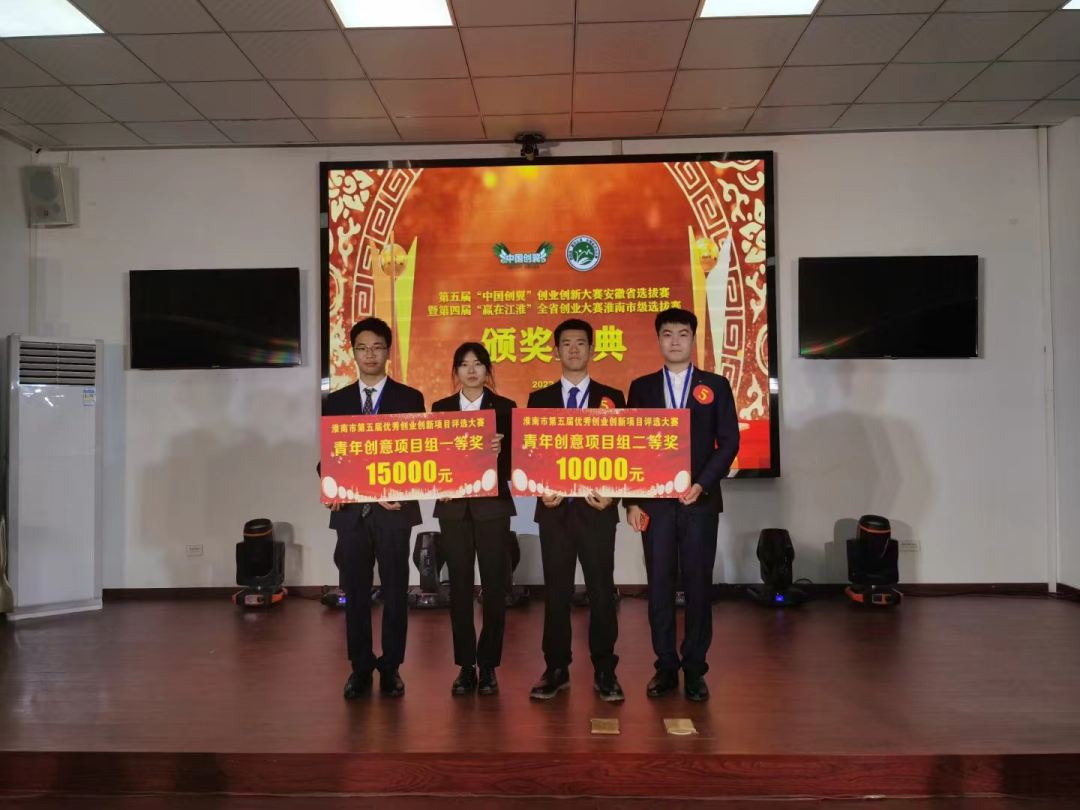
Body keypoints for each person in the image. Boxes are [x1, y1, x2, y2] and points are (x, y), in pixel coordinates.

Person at [625, 308, 740, 702]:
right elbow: (631, 446)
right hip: (654, 505)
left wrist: (702, 483)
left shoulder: (716, 385)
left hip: (699, 501)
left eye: (683, 334)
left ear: (693, 339)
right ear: (658, 339)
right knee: (658, 585)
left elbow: (729, 441)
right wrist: (632, 500)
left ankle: (694, 668)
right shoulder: (641, 387)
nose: (675, 341)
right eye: (667, 334)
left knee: (698, 586)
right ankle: (665, 666)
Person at [323, 317, 425, 700]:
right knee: (356, 592)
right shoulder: (337, 401)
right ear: (353, 352)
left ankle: (392, 667)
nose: (370, 355)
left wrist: (405, 490)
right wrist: (329, 484)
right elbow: (329, 455)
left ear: (388, 352)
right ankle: (360, 667)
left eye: (377, 347)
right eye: (363, 348)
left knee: (396, 591)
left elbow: (420, 452)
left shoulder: (409, 398)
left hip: (395, 511)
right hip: (350, 513)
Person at [526, 319, 627, 702]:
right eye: (566, 343)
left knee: (602, 592)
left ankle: (605, 669)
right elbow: (532, 455)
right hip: (555, 512)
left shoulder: (612, 397)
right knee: (556, 594)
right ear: (555, 351)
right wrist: (541, 490)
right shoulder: (539, 400)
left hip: (597, 511)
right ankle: (556, 668)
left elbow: (625, 453)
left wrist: (614, 495)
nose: (573, 349)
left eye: (580, 343)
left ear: (592, 350)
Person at [431, 343, 514, 697]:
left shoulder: (506, 408)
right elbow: (432, 457)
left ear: (487, 370)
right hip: (454, 509)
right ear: (456, 371)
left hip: (493, 508)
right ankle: (466, 665)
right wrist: (439, 484)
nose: (471, 370)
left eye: (478, 364)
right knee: (460, 588)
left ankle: (489, 664)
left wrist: (502, 452)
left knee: (495, 587)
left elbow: (518, 461)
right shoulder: (441, 409)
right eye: (464, 365)